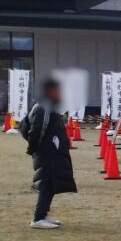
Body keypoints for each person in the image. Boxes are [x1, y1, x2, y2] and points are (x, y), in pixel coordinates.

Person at [21, 77, 76, 228]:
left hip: (52, 151)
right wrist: (34, 148)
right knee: (46, 183)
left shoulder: (48, 106)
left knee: (51, 183)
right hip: (47, 153)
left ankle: (43, 214)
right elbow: (37, 130)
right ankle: (38, 218)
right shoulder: (44, 107)